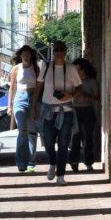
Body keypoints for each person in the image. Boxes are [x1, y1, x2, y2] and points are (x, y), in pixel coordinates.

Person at [37, 40, 82, 184]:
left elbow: (79, 87)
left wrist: (70, 95)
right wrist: (33, 106)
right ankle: (52, 162)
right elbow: (39, 86)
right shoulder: (45, 66)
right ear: (52, 51)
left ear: (66, 51)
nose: (59, 52)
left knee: (63, 143)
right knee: (48, 142)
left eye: (62, 49)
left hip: (66, 110)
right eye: (56, 50)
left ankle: (61, 175)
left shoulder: (71, 68)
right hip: (48, 110)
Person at [7, 45, 40, 173]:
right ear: (20, 56)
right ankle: (21, 163)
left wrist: (35, 105)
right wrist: (9, 106)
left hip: (33, 98)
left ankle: (31, 162)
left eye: (28, 54)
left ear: (31, 56)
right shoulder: (16, 69)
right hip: (19, 99)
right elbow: (11, 88)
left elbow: (38, 87)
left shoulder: (36, 69)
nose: (26, 56)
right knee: (22, 131)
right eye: (24, 54)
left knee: (32, 132)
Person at [69, 57, 100, 172]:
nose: (76, 73)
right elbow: (69, 95)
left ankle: (88, 162)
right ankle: (74, 162)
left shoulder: (91, 81)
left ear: (84, 70)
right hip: (75, 110)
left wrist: (85, 96)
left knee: (88, 138)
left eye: (78, 70)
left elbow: (97, 97)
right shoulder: (73, 81)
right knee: (75, 137)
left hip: (88, 111)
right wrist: (74, 95)